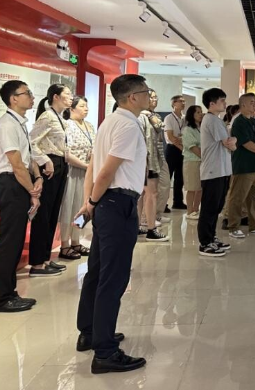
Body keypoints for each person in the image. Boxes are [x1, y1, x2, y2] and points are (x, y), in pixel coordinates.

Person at [74, 74, 151, 374]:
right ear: (132, 97)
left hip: (107, 202)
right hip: (116, 203)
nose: (149, 96)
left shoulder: (109, 122)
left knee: (97, 271)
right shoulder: (128, 126)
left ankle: (90, 332)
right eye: (145, 92)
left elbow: (94, 167)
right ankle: (105, 352)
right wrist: (93, 201)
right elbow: (105, 171)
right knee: (113, 278)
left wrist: (90, 201)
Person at [0, 80, 42, 312]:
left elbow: (27, 159)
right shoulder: (7, 125)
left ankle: (9, 293)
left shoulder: (19, 123)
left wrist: (37, 178)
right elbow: (17, 165)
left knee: (16, 241)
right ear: (13, 99)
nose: (31, 97)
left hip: (19, 183)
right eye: (26, 93)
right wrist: (33, 192)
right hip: (11, 184)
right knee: (9, 243)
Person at [29, 84, 74, 276]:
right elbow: (31, 142)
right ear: (56, 97)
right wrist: (44, 160)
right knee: (44, 214)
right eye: (67, 94)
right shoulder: (47, 116)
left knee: (53, 213)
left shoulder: (60, 117)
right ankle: (37, 264)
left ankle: (46, 258)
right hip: (49, 166)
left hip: (60, 164)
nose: (71, 97)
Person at [226, 94, 255, 238]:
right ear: (243, 105)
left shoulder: (254, 120)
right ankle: (233, 226)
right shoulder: (239, 122)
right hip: (244, 165)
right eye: (252, 102)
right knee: (238, 197)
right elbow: (245, 143)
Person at [198, 88, 236, 257]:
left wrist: (233, 141)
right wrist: (234, 141)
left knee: (217, 206)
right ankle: (205, 243)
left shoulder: (217, 120)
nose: (225, 103)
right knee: (209, 207)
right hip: (213, 170)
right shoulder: (211, 120)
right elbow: (229, 144)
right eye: (222, 101)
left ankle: (211, 237)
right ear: (212, 104)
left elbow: (229, 143)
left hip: (221, 170)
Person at [59, 96, 95, 260]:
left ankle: (76, 240)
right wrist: (86, 165)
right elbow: (66, 153)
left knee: (82, 205)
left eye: (86, 106)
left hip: (87, 172)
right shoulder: (67, 125)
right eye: (82, 106)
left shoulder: (89, 126)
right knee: (69, 206)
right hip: (73, 170)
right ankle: (64, 244)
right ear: (71, 108)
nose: (86, 109)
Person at [138, 91, 168, 242]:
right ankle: (150, 228)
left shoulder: (153, 116)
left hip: (154, 159)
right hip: (147, 160)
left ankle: (140, 225)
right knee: (150, 193)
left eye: (156, 97)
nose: (154, 99)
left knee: (147, 194)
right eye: (151, 97)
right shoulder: (141, 116)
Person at [164, 95, 186, 209]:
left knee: (180, 177)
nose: (183, 103)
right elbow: (171, 137)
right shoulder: (169, 118)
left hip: (182, 149)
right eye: (180, 101)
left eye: (184, 101)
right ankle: (163, 203)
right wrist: (181, 147)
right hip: (172, 149)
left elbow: (186, 136)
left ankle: (178, 202)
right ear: (174, 104)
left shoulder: (185, 118)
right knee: (167, 177)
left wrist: (182, 142)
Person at [182, 105, 204, 219]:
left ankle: (196, 209)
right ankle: (190, 211)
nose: (200, 114)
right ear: (192, 114)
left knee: (199, 188)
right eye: (197, 112)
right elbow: (193, 147)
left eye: (201, 112)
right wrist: (204, 156)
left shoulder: (201, 128)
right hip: (192, 161)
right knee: (191, 188)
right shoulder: (187, 130)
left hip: (202, 161)